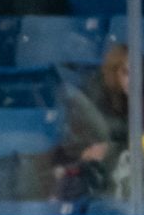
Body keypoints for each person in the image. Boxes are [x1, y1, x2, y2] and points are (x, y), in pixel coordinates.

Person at [49, 42, 133, 201]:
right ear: (113, 73)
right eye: (126, 73)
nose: (133, 79)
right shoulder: (94, 97)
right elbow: (83, 137)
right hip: (90, 162)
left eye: (138, 73)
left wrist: (111, 149)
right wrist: (85, 152)